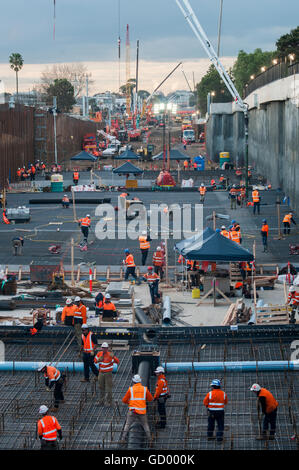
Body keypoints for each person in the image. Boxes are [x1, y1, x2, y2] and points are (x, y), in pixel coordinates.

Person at [120, 374, 153, 445]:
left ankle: (122, 439)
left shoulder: (131, 389)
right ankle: (150, 440)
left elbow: (124, 400)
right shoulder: (145, 389)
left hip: (133, 410)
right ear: (140, 381)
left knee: (127, 424)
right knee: (145, 425)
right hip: (142, 412)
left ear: (133, 381)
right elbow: (150, 399)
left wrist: (130, 402)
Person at [94, 342, 119, 406]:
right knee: (101, 387)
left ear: (107, 348)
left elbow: (117, 362)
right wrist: (98, 360)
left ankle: (109, 402)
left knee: (109, 388)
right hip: (101, 373)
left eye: (105, 348)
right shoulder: (99, 354)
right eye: (103, 348)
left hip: (108, 373)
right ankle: (101, 401)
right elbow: (95, 361)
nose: (103, 349)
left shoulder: (110, 355)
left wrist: (113, 357)